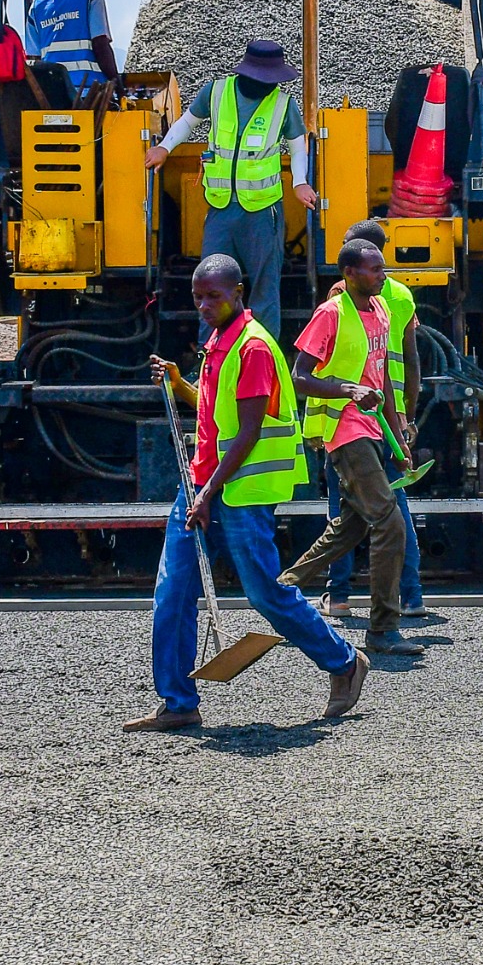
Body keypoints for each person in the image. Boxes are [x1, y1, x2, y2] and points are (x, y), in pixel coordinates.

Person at [129, 255, 368, 733]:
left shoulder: (254, 347)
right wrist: (180, 385)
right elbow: (219, 412)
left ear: (238, 292)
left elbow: (250, 431)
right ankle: (178, 701)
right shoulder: (220, 341)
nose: (203, 305)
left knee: (264, 594)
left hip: (238, 492)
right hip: (201, 485)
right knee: (173, 593)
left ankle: (344, 662)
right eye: (197, 297)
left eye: (212, 296)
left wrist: (209, 493)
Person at [279, 240, 420, 656]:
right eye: (375, 269)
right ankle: (383, 629)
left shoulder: (380, 311)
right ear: (349, 274)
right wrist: (347, 390)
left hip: (375, 430)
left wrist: (398, 436)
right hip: (344, 431)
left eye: (383, 268)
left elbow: (383, 382)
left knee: (352, 526)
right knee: (389, 523)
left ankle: (283, 588)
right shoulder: (330, 314)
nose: (383, 275)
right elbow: (298, 376)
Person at [143, 38, 319, 338]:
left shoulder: (282, 104)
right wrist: (164, 148)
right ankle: (210, 358)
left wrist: (300, 182)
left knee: (265, 288)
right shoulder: (216, 92)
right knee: (211, 285)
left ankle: (264, 360)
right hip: (221, 209)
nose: (266, 84)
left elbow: (297, 147)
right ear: (245, 72)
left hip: (264, 213)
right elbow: (187, 122)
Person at [319, 220, 425, 623]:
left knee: (343, 507)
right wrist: (407, 417)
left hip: (355, 412)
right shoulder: (401, 295)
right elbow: (411, 361)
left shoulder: (345, 294)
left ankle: (339, 593)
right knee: (395, 506)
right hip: (390, 410)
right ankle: (411, 594)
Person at [26, 0, 118, 103]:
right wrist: (117, 83)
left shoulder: (36, 6)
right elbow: (100, 44)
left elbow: (35, 59)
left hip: (54, 93)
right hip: (90, 93)